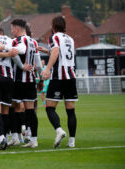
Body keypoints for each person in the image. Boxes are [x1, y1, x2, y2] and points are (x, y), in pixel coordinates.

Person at [0, 19, 42, 148]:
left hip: (18, 80)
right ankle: (33, 139)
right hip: (31, 79)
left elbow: (20, 50)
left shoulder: (18, 41)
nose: (11, 31)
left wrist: (4, 47)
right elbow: (38, 64)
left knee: (13, 108)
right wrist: (41, 79)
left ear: (16, 28)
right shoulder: (33, 42)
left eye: (12, 28)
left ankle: (16, 137)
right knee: (30, 110)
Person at [40, 16, 78, 148]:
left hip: (59, 76)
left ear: (53, 25)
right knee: (70, 110)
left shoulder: (54, 37)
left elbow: (56, 52)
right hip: (71, 76)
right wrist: (45, 50)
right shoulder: (70, 39)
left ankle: (59, 130)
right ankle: (72, 141)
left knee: (50, 107)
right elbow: (61, 52)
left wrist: (47, 69)